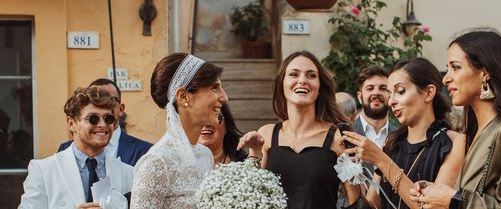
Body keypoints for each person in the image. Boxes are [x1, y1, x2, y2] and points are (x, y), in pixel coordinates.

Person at [412, 29, 501, 209]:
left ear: (485, 72)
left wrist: (455, 199)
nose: (445, 79)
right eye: (448, 68)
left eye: (455, 67)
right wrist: (435, 193)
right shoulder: (478, 133)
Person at [238, 50, 360, 209]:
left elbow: (354, 200)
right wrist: (254, 152)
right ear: (282, 83)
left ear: (320, 86)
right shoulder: (266, 134)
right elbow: (251, 196)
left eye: (311, 75)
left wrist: (354, 166)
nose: (302, 80)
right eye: (294, 74)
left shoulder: (339, 137)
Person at [342, 58, 465, 209]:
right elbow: (372, 205)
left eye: (400, 91)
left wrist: (381, 160)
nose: (391, 101)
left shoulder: (453, 142)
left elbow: (433, 206)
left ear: (428, 92)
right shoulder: (392, 142)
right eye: (390, 93)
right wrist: (351, 173)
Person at [131, 53, 228, 209]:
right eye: (214, 88)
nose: (224, 97)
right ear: (183, 96)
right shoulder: (157, 163)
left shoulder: (205, 155)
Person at [19, 86, 133, 208]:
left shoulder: (129, 173)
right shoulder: (44, 171)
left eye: (108, 119)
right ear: (71, 123)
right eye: (93, 119)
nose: (102, 125)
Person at [58, 78, 152, 166]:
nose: (102, 124)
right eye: (93, 118)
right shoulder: (64, 151)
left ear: (121, 108)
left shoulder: (145, 150)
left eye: (111, 99)